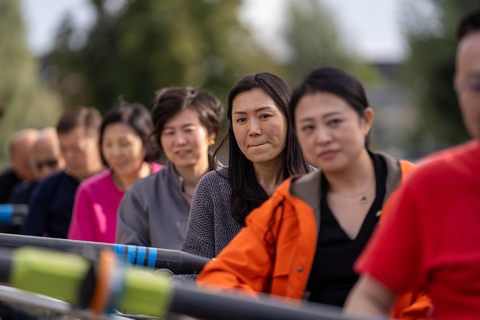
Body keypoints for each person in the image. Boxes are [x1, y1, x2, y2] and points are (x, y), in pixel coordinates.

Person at [196, 67, 419, 314]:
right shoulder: (289, 201)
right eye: (308, 127)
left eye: (334, 122)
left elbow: (450, 285)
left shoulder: (415, 188)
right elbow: (222, 276)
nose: (322, 137)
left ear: (365, 121)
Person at [344, 9, 480, 320]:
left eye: (334, 122)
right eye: (477, 85)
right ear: (458, 88)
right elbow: (369, 299)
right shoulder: (431, 186)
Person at [179, 72, 311, 275]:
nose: (253, 130)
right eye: (241, 120)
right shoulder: (213, 188)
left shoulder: (321, 188)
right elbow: (191, 273)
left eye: (264, 116)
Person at [116, 87, 224, 249]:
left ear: (211, 133)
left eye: (188, 130)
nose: (179, 141)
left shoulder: (239, 186)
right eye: (169, 132)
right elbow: (130, 263)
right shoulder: (141, 196)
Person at [67, 102, 162, 243]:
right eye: (108, 144)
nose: (115, 153)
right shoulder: (89, 192)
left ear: (146, 141)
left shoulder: (170, 183)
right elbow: (80, 251)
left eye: (124, 143)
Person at [21, 107, 104, 238]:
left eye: (76, 148)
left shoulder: (121, 182)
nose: (69, 156)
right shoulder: (47, 189)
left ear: (99, 142)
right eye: (63, 149)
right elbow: (29, 238)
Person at [1, 128, 66, 234]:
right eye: (38, 166)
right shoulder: (21, 194)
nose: (45, 171)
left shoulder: (79, 192)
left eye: (52, 163)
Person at [0, 128, 38, 204]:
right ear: (12, 159)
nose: (34, 169)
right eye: (28, 164)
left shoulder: (51, 181)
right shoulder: (3, 184)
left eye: (37, 164)